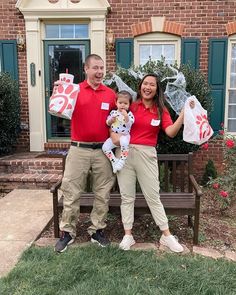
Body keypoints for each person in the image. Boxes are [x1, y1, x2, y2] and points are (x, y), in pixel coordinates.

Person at [114, 73, 189, 252]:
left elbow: (170, 132)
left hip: (147, 155)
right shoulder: (130, 105)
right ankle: (128, 235)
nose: (147, 87)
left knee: (153, 196)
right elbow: (115, 124)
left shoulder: (160, 110)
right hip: (124, 153)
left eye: (152, 85)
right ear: (140, 86)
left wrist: (183, 116)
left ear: (157, 89)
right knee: (127, 196)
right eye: (145, 84)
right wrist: (115, 138)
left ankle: (166, 236)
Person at [55, 54, 116, 253]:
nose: (99, 72)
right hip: (78, 149)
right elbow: (57, 109)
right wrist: (58, 92)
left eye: (102, 68)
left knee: (103, 193)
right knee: (71, 192)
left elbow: (119, 121)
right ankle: (67, 232)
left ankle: (97, 230)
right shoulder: (74, 91)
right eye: (95, 68)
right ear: (86, 69)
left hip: (102, 150)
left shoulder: (110, 94)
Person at [102, 90, 135, 173]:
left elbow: (129, 124)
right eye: (120, 103)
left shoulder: (130, 114)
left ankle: (122, 160)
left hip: (124, 136)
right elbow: (107, 123)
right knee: (105, 147)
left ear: (129, 105)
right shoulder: (113, 113)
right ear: (116, 103)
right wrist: (110, 120)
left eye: (125, 103)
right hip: (113, 136)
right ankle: (114, 161)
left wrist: (126, 116)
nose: (122, 105)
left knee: (124, 142)